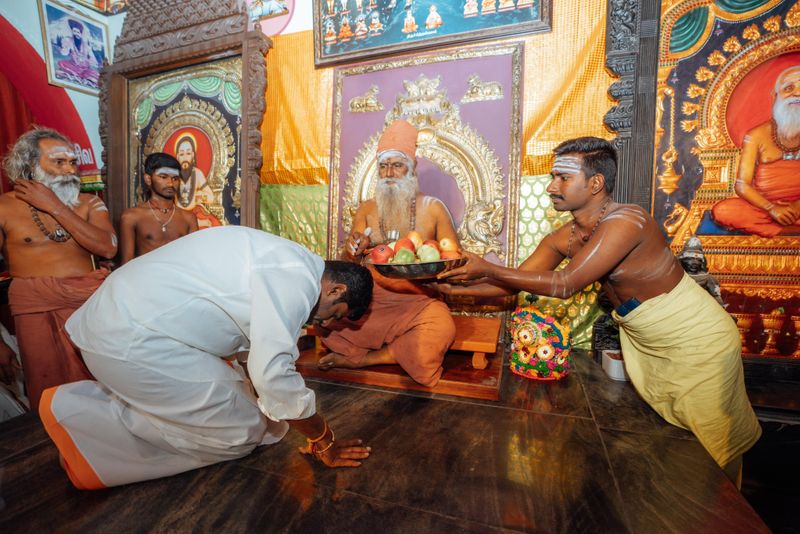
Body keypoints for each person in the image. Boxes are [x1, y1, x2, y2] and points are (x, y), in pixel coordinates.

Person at [438, 137, 761, 486]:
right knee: (677, 454)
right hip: (651, 341)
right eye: (552, 177)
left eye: (562, 178)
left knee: (710, 460)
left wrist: (487, 267)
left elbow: (564, 284)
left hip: (697, 338)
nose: (550, 187)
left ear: (595, 183)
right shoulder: (567, 236)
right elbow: (509, 288)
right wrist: (446, 288)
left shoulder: (629, 221)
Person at [38, 226, 373, 489]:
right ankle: (90, 438)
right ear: (335, 290)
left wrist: (284, 406)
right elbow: (271, 373)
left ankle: (105, 413)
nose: (324, 323)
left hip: (122, 326)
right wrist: (322, 437)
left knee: (263, 420)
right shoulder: (298, 281)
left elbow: (252, 350)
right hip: (131, 342)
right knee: (239, 433)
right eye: (334, 314)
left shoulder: (288, 257)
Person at [318, 119, 459, 387]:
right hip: (371, 299)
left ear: (411, 168)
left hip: (416, 299)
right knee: (326, 320)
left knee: (441, 327)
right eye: (383, 166)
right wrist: (352, 249)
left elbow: (453, 256)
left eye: (397, 165)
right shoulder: (367, 209)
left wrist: (425, 259)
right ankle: (395, 350)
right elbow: (350, 259)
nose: (389, 173)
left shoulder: (433, 208)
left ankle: (367, 359)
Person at [0, 128, 117, 412]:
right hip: (35, 309)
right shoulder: (4, 207)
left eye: (73, 162)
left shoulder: (90, 203)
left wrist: (54, 206)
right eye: (59, 162)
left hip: (88, 307)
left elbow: (108, 248)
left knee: (106, 388)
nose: (69, 170)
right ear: (30, 167)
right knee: (48, 394)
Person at [711, 65, 800, 237]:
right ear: (775, 96)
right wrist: (772, 208)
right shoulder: (756, 136)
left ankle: (781, 231)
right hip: (765, 209)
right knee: (724, 210)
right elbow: (742, 185)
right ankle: (786, 231)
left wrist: (795, 208)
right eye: (789, 88)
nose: (797, 94)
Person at [119, 152, 198, 264]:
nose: (170, 183)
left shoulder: (188, 218)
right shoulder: (131, 216)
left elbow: (194, 260)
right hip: (146, 279)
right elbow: (127, 264)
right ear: (148, 179)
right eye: (163, 177)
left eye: (175, 178)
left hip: (178, 279)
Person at [677, 236, 725, 308]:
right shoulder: (675, 277)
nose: (694, 263)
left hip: (700, 309)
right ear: (682, 260)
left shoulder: (708, 279)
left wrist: (722, 312)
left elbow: (717, 298)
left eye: (698, 260)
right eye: (690, 259)